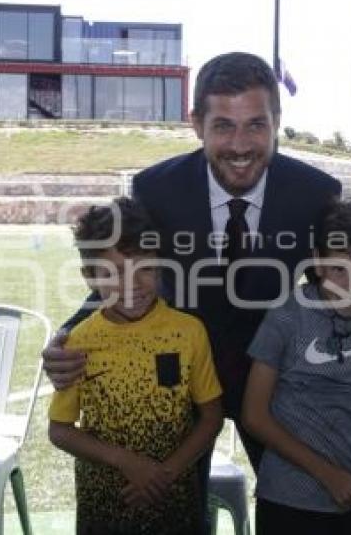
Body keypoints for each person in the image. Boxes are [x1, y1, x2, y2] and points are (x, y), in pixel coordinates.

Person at [44, 51, 351, 472]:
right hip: (176, 379)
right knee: (170, 507)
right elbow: (123, 276)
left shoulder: (314, 192)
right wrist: (67, 333)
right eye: (223, 126)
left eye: (256, 125)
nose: (240, 146)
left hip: (279, 384)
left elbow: (347, 282)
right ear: (196, 124)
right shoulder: (156, 189)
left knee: (295, 507)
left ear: (276, 123)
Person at [48, 197, 223, 535]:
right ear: (89, 276)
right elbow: (61, 431)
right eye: (113, 273)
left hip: (174, 501)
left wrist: (164, 475)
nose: (132, 284)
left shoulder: (188, 332)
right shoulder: (79, 342)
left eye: (144, 268)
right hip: (105, 504)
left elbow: (211, 417)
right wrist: (128, 463)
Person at [242, 195, 351, 535]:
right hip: (289, 501)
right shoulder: (287, 316)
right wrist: (330, 476)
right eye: (340, 270)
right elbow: (254, 416)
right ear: (317, 262)